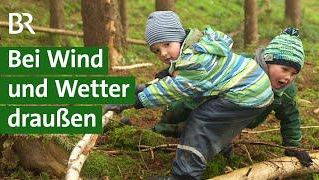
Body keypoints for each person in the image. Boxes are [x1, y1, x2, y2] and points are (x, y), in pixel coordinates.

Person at [105, 11, 274, 179]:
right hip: (254, 89)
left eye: (167, 44)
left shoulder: (194, 61)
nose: (163, 53)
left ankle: (184, 176)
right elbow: (174, 81)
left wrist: (135, 100)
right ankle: (222, 150)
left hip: (246, 92)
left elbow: (171, 90)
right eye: (156, 50)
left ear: (179, 38)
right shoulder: (198, 47)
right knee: (214, 115)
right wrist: (142, 88)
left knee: (199, 123)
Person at [153, 27, 314, 170]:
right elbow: (208, 64)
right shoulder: (243, 65)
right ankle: (161, 129)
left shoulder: (286, 92)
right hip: (207, 98)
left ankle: (217, 148)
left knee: (209, 129)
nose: (288, 77)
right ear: (267, 61)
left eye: (294, 73)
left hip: (233, 117)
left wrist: (293, 145)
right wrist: (171, 71)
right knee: (178, 113)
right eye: (285, 69)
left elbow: (290, 117)